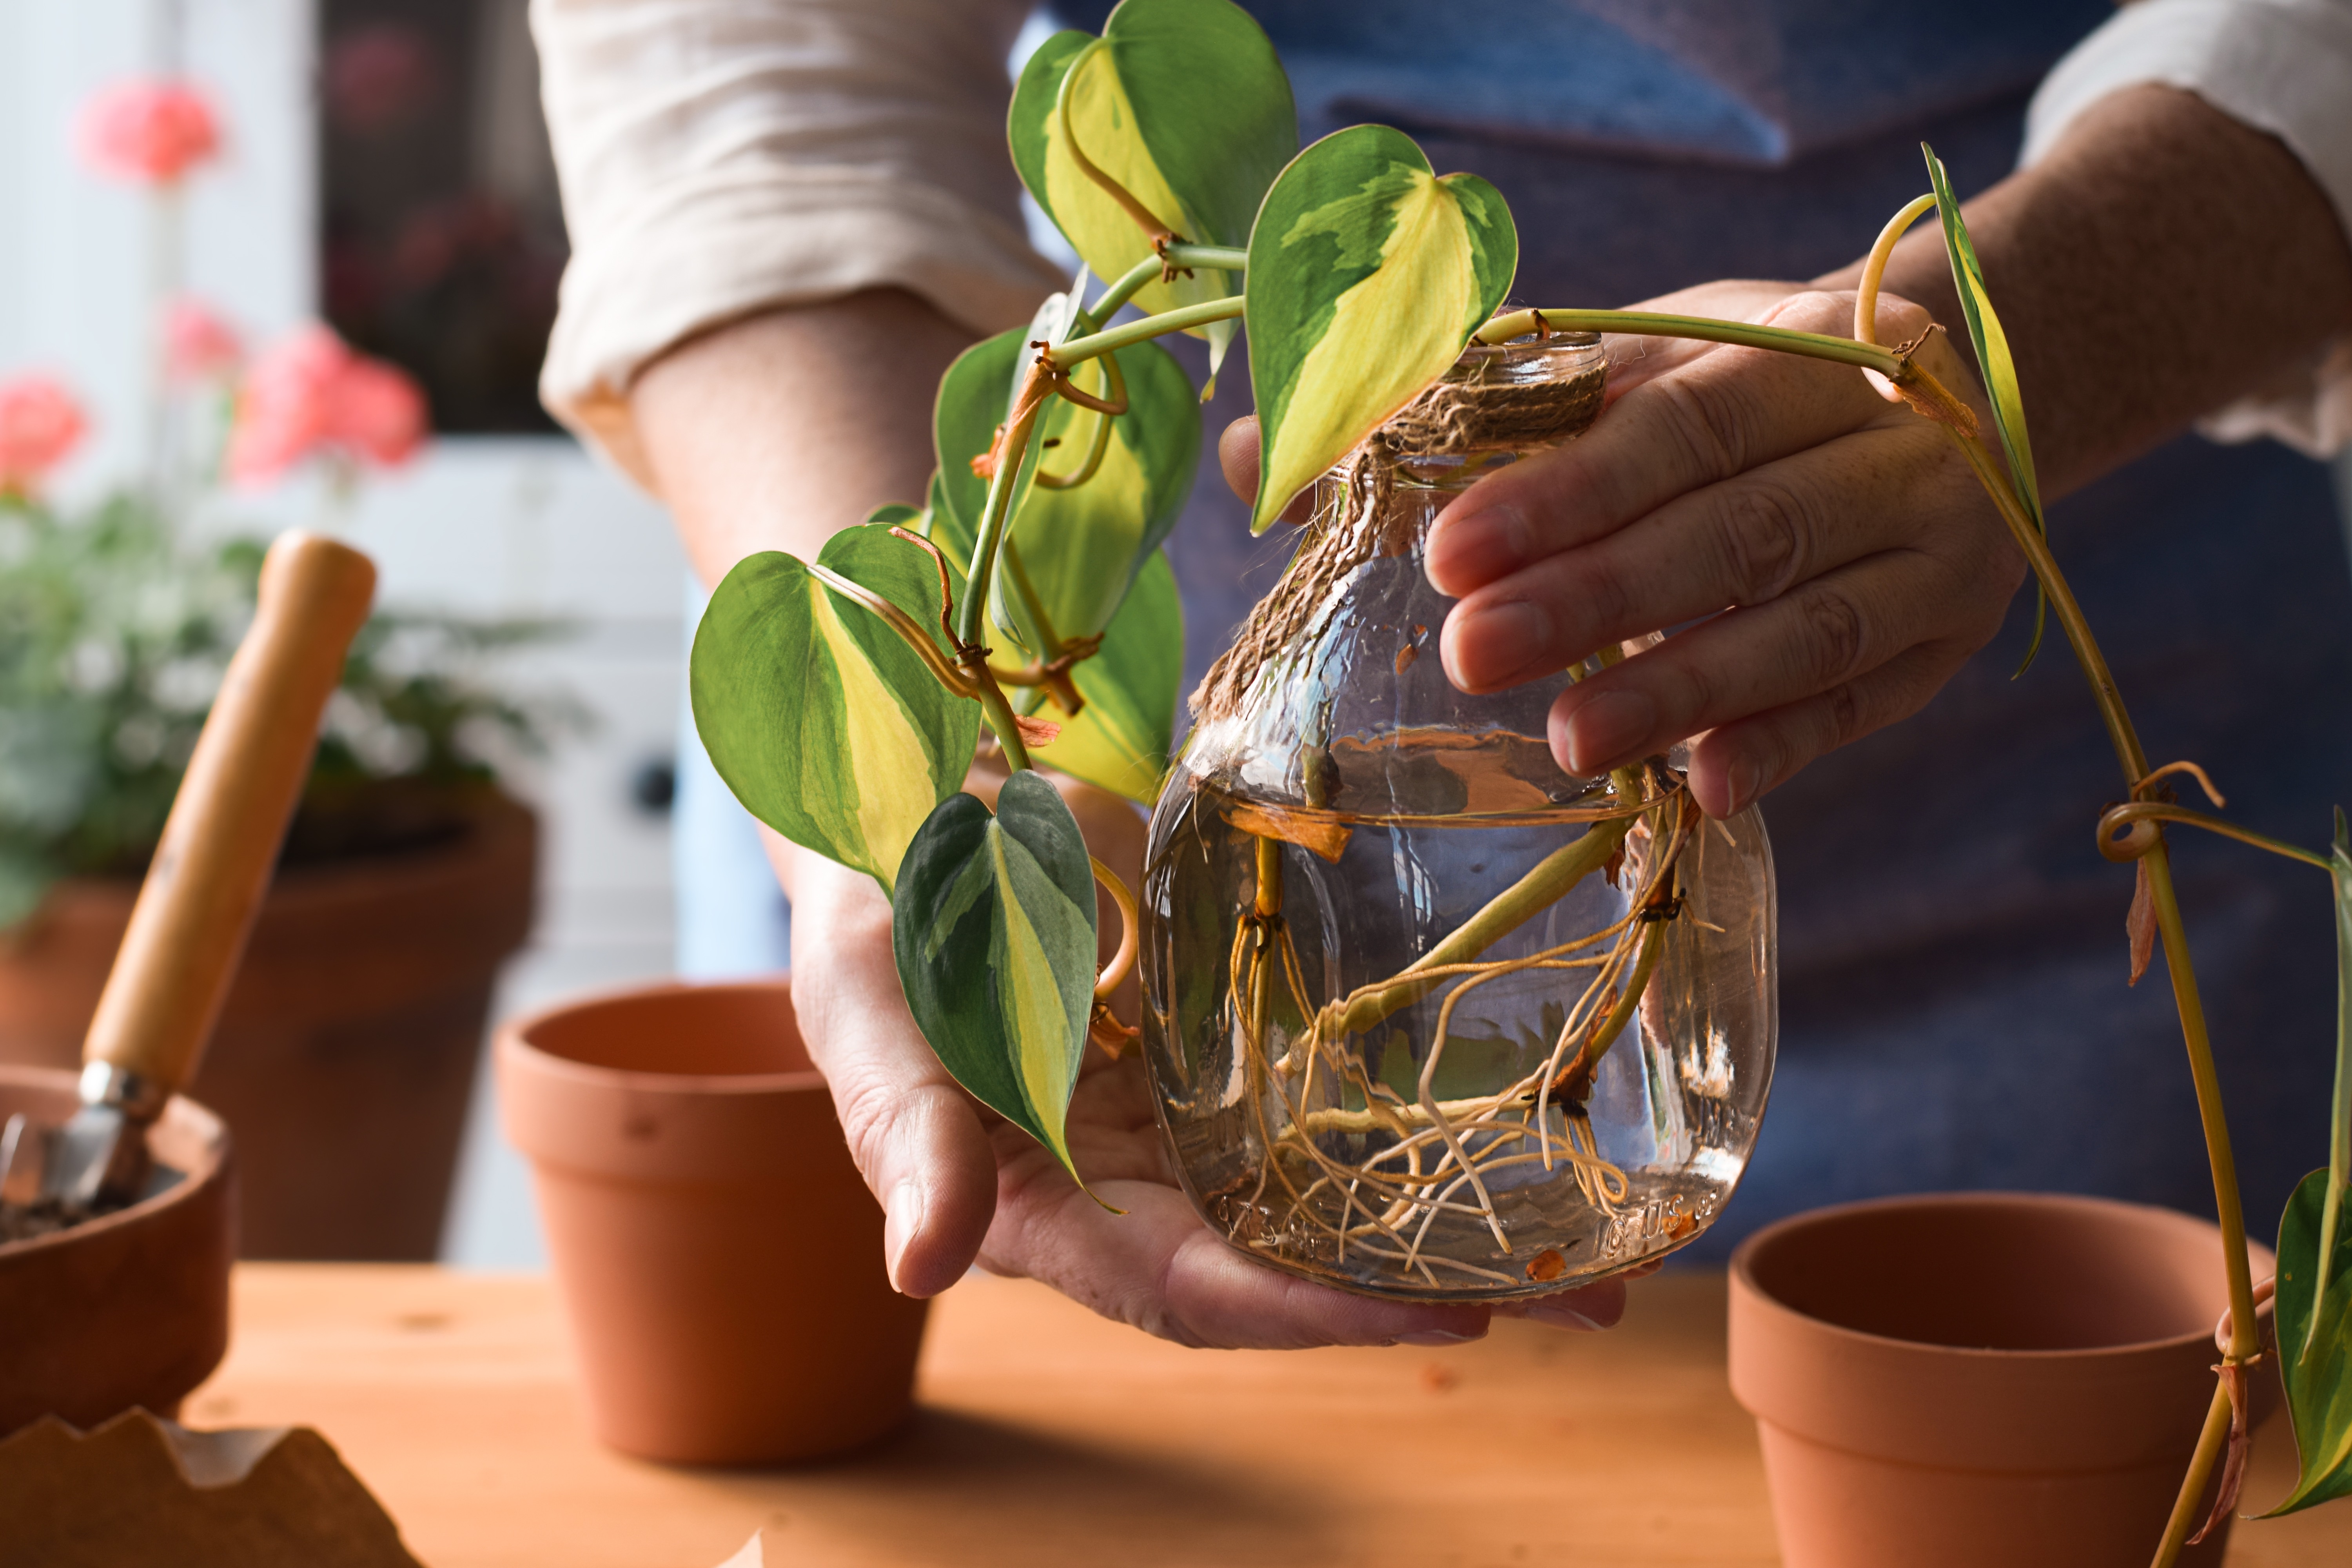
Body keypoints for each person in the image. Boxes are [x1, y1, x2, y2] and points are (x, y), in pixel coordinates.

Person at [530, 0, 2352, 1350]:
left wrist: (2005, 352)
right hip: (1125, 859)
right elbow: (749, 83)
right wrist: (927, 779)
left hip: (2103, 669)